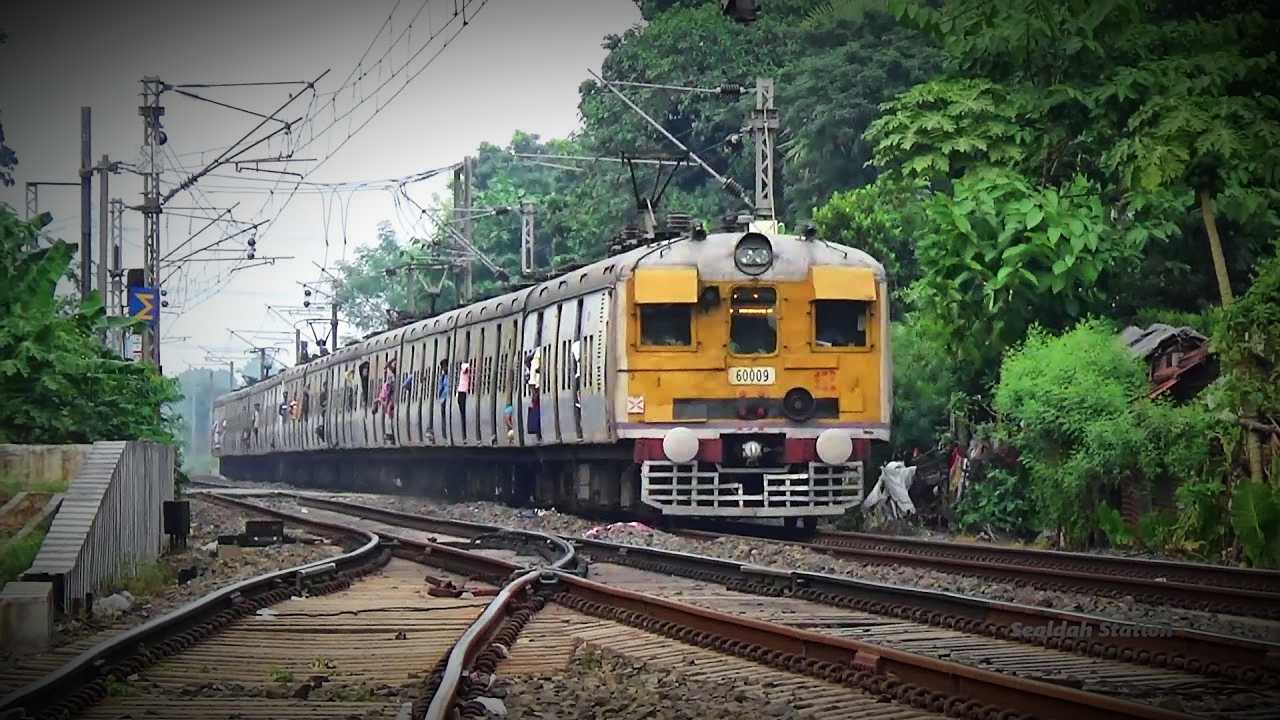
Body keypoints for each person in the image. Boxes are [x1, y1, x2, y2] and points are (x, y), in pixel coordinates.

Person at [436, 359, 450, 440]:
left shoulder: (450, 375)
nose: (444, 368)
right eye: (443, 367)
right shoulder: (442, 378)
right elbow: (439, 390)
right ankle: (444, 432)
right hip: (444, 399)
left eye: (445, 366)